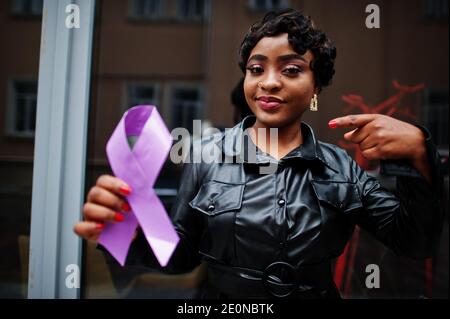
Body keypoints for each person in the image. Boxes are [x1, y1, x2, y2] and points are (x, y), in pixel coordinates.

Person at [74, 9, 444, 298]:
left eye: (292, 69)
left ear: (316, 86)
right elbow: (181, 257)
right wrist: (132, 233)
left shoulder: (340, 167)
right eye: (256, 69)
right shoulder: (206, 156)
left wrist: (417, 157)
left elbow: (413, 242)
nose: (268, 81)